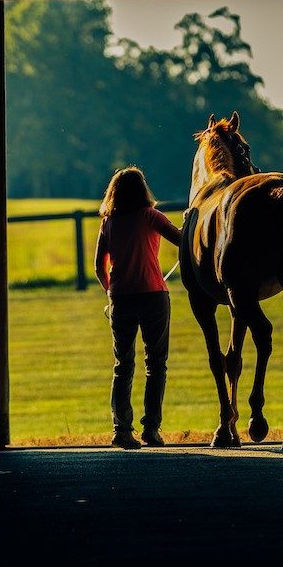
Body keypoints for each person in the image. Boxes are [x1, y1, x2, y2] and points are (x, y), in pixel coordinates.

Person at [94, 166, 182, 449]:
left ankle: (121, 430)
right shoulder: (151, 216)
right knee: (156, 365)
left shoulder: (108, 222)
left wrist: (111, 291)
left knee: (123, 366)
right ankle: (151, 429)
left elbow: (99, 266)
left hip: (122, 299)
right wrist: (191, 221)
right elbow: (181, 240)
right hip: (154, 295)